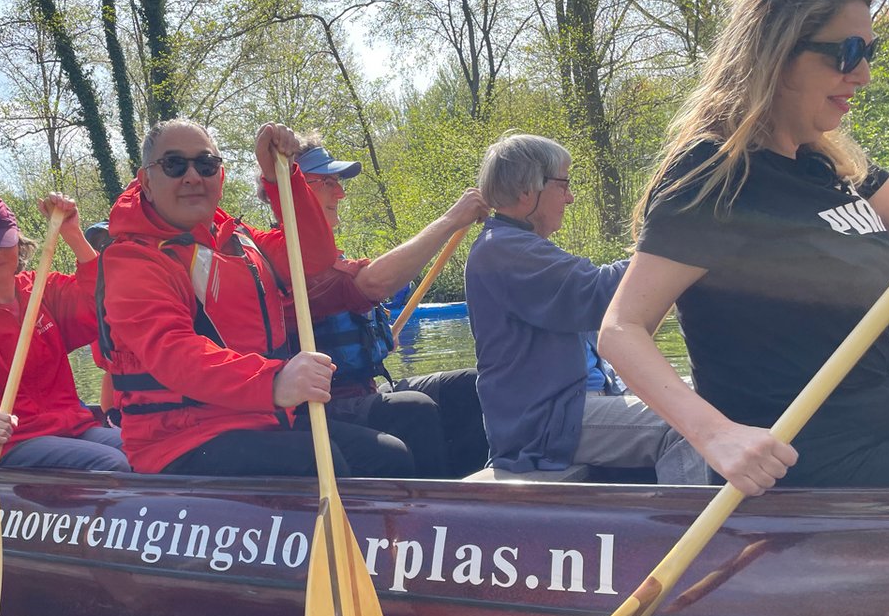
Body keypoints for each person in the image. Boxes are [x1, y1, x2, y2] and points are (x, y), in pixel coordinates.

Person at [600, 0, 889, 494]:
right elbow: (621, 330)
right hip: (815, 463)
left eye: (869, 51)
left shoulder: (828, 164)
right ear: (777, 53)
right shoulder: (715, 174)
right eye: (847, 52)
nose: (864, 74)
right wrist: (716, 436)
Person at [99, 119, 412, 477]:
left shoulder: (239, 239)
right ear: (146, 182)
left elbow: (315, 254)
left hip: (262, 419)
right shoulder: (132, 259)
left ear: (221, 176)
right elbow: (173, 354)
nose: (192, 176)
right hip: (179, 441)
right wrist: (275, 381)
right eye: (174, 165)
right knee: (318, 465)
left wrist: (283, 177)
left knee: (392, 455)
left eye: (205, 165)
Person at [464, 133, 706, 482]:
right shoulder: (503, 251)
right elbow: (599, 293)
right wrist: (678, 247)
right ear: (525, 190)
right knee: (690, 426)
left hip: (572, 406)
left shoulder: (518, 246)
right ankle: (693, 533)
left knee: (713, 395)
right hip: (547, 422)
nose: (571, 197)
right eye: (563, 185)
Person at [275, 140, 490, 477]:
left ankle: (477, 496)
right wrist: (451, 219)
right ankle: (436, 516)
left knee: (470, 385)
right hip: (321, 408)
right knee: (413, 411)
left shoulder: (332, 255)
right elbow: (372, 284)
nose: (340, 194)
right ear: (293, 193)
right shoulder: (285, 260)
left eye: (339, 183)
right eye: (327, 183)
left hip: (364, 389)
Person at [0, 194, 130, 471]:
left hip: (70, 425)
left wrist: (71, 233)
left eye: (1, 243)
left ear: (19, 245)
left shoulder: (41, 290)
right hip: (14, 439)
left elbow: (103, 303)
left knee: (145, 449)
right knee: (112, 463)